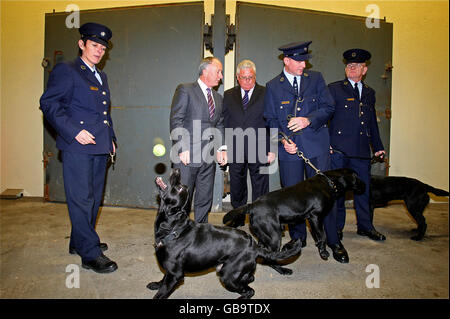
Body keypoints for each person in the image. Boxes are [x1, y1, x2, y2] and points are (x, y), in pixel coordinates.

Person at [40, 22, 117, 273]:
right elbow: (49, 104)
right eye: (94, 45)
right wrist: (73, 131)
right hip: (77, 147)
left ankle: (79, 240)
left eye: (102, 48)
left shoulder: (100, 75)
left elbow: (104, 113)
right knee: (81, 199)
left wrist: (111, 139)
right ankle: (90, 253)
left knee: (93, 198)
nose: (98, 51)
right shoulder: (68, 69)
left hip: (98, 146)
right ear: (81, 44)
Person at [264, 41, 349, 263]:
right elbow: (271, 119)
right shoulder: (273, 86)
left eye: (305, 60)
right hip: (289, 151)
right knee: (293, 198)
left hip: (317, 148)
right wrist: (283, 141)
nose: (304, 64)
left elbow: (328, 107)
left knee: (326, 196)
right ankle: (298, 238)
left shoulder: (317, 79)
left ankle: (333, 240)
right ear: (287, 61)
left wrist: (307, 120)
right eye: (299, 61)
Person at [328, 48, 386, 241]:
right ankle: (336, 228)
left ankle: (365, 226)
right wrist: (327, 144)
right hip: (338, 150)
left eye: (356, 65)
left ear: (364, 69)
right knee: (338, 192)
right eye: (349, 65)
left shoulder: (370, 93)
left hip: (361, 151)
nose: (352, 68)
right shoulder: (334, 89)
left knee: (364, 189)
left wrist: (377, 146)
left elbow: (371, 122)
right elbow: (325, 118)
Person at [169, 56, 227, 223]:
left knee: (204, 198)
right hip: (187, 157)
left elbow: (220, 125)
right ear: (205, 71)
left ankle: (200, 233)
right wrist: (181, 148)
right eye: (218, 71)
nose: (220, 76)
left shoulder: (217, 98)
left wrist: (221, 149)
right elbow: (176, 120)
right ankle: (177, 234)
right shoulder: (185, 90)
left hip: (207, 158)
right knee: (181, 200)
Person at [223, 60, 275, 209]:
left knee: (260, 187)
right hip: (235, 148)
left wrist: (272, 148)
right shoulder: (228, 95)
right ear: (237, 77)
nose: (248, 81)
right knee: (237, 186)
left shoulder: (266, 93)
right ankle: (238, 217)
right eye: (244, 77)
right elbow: (224, 122)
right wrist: (224, 148)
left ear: (255, 76)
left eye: (251, 77)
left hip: (260, 148)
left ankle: (259, 219)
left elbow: (273, 121)